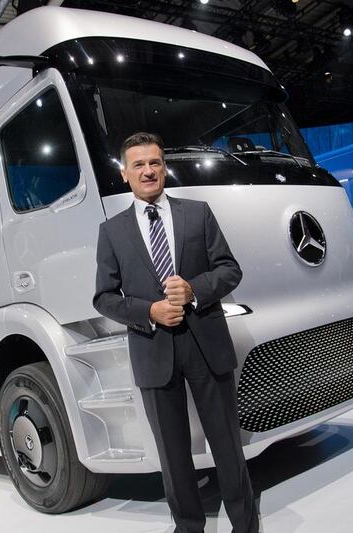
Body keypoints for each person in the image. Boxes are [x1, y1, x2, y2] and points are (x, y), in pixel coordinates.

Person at [93, 132, 258, 533]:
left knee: (227, 444)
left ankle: (246, 525)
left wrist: (194, 290)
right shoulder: (111, 231)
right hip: (153, 349)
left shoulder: (198, 214)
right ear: (124, 173)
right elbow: (103, 297)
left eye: (155, 162)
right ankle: (188, 526)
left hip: (206, 344)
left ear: (164, 166)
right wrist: (149, 310)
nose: (149, 171)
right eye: (139, 165)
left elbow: (229, 270)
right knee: (172, 453)